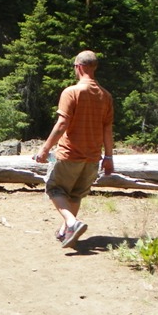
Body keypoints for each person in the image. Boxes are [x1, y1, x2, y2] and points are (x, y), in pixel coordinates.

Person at [34, 50, 114, 249]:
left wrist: (44, 149)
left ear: (78, 67)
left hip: (69, 154)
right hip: (93, 157)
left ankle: (71, 223)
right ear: (93, 67)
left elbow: (62, 124)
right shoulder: (106, 96)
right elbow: (108, 129)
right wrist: (109, 157)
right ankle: (66, 232)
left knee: (54, 189)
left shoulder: (71, 92)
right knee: (76, 194)